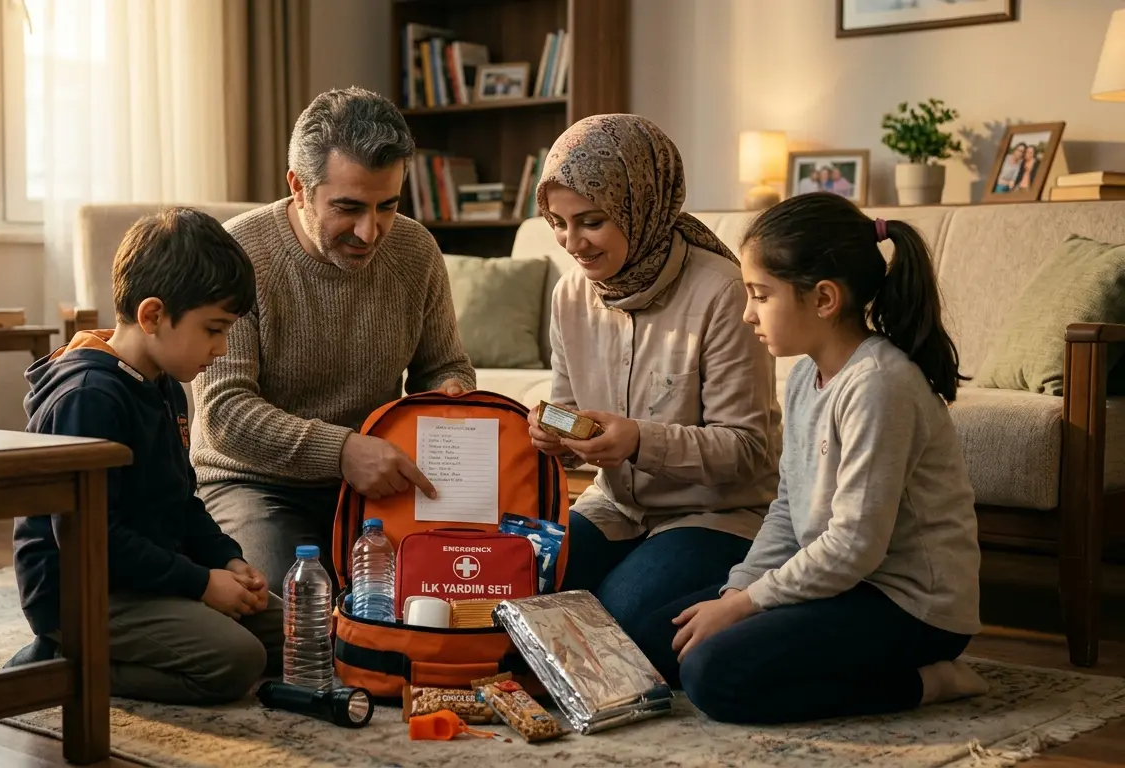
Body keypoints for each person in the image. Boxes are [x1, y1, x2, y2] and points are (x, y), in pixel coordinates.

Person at [640, 192, 986, 725]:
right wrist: (738, 588)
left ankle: (925, 682)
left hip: (910, 606)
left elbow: (853, 548)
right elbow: (787, 508)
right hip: (837, 585)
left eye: (760, 295)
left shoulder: (879, 385)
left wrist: (743, 607)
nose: (746, 313)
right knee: (651, 643)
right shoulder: (804, 374)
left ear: (824, 299)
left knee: (711, 674)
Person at [193, 86, 475, 595]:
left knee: (447, 593)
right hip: (256, 484)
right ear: (298, 187)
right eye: (347, 208)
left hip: (379, 486)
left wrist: (450, 392)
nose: (370, 231)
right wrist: (342, 451)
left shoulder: (417, 250)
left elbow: (443, 366)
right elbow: (225, 414)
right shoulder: (236, 254)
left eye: (387, 205)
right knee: (293, 610)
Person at [6, 207, 282, 705]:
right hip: (84, 591)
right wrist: (200, 584)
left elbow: (182, 502)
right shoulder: (88, 397)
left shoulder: (164, 383)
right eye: (213, 329)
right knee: (238, 662)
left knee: (295, 631)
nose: (222, 348)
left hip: (151, 576)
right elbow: (91, 538)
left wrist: (226, 559)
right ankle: (56, 668)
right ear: (153, 315)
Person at [526, 114, 781, 642]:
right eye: (557, 221)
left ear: (641, 205)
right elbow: (572, 418)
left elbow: (748, 449)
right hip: (614, 506)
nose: (572, 242)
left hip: (715, 514)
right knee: (521, 595)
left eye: (591, 221)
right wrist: (555, 435)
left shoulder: (723, 292)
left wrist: (641, 441)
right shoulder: (570, 296)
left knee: (624, 625)